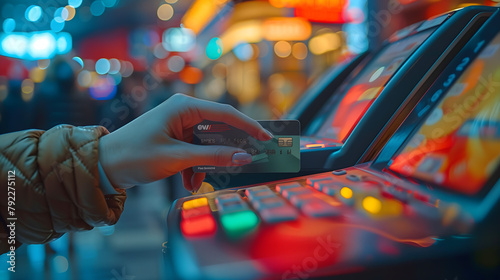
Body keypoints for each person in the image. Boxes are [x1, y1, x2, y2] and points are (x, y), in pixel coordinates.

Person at [0, 93, 273, 254]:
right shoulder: (80, 97)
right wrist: (101, 159)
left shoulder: (42, 97)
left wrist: (103, 160)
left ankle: (60, 246)